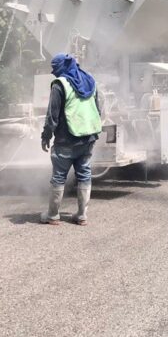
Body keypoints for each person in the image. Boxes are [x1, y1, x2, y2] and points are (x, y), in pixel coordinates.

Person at [41, 53, 102, 226]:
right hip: (88, 137)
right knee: (84, 174)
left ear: (61, 67)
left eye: (55, 69)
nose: (54, 73)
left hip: (66, 139)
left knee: (59, 176)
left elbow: (52, 115)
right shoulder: (90, 81)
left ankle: (52, 215)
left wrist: (46, 135)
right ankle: (82, 215)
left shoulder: (60, 85)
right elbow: (98, 108)